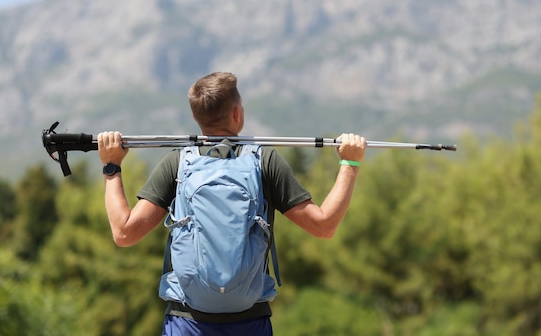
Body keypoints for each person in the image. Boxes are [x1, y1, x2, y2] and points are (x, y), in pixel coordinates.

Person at [97, 71, 366, 336]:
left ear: (195, 117)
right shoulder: (265, 162)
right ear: (237, 114)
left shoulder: (177, 163)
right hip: (250, 322)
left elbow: (124, 233)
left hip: (187, 323)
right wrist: (350, 163)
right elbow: (324, 226)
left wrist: (112, 167)